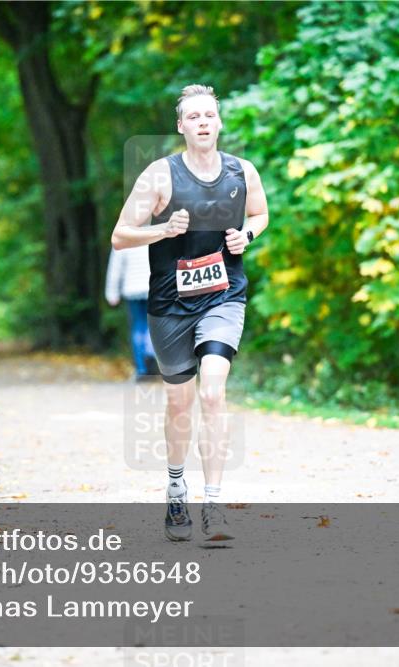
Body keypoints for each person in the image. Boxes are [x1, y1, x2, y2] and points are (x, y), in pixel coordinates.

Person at [111, 84, 269, 543]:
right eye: (193, 116)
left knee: (214, 390)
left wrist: (247, 237)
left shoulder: (243, 172)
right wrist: (162, 230)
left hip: (224, 295)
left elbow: (259, 216)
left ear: (219, 123)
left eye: (210, 115)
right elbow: (120, 236)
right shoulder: (159, 176)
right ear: (181, 126)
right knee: (180, 401)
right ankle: (176, 487)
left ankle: (213, 506)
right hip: (169, 304)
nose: (203, 122)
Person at [105, 246, 158, 380]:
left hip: (131, 289)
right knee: (151, 324)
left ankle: (141, 368)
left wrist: (111, 293)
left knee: (137, 326)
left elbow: (115, 268)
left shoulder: (124, 234)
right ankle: (150, 352)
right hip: (152, 287)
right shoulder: (154, 232)